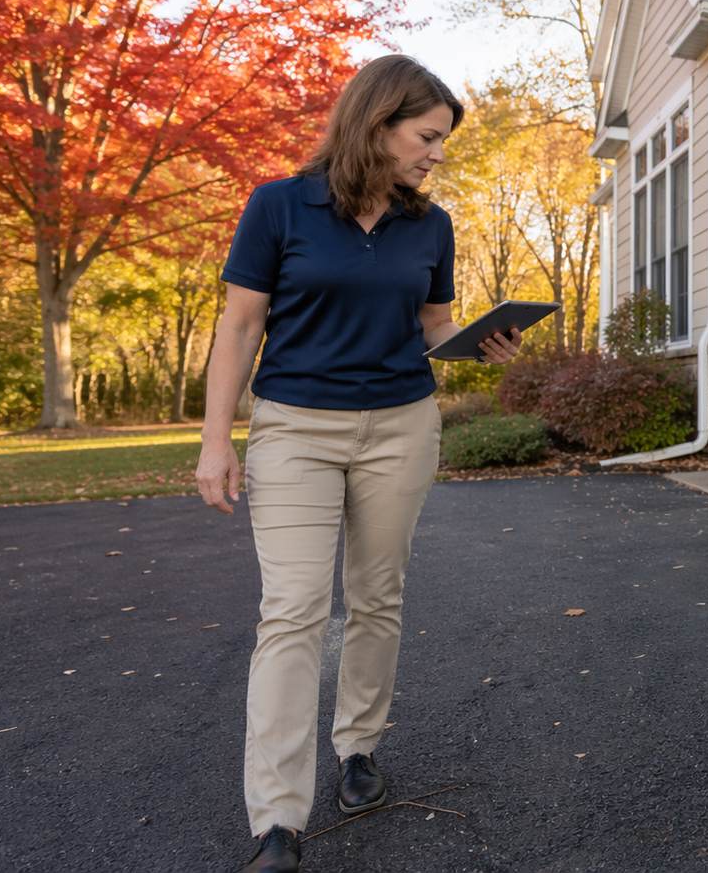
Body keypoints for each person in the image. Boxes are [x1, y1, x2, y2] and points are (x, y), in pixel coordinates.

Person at [194, 55, 521, 873]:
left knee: (378, 595)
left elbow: (433, 324)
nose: (436, 153)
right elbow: (240, 327)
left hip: (401, 425)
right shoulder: (279, 204)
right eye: (427, 136)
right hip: (295, 429)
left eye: (442, 141)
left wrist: (480, 342)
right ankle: (277, 817)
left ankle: (359, 748)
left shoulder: (430, 224)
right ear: (378, 123)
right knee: (293, 609)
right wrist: (214, 439)